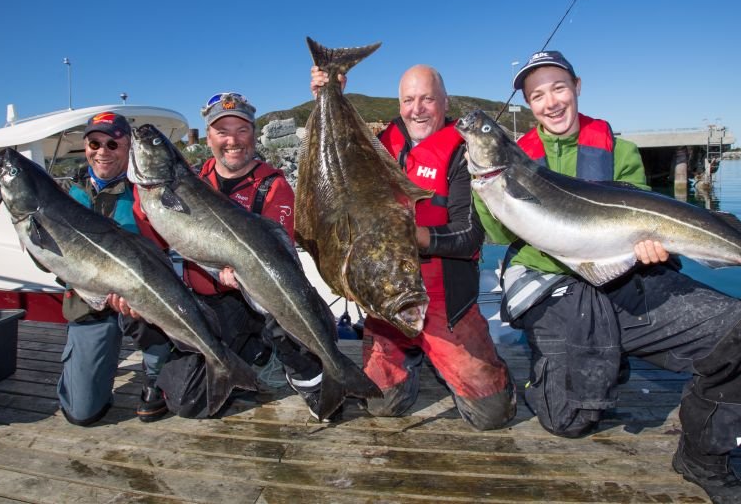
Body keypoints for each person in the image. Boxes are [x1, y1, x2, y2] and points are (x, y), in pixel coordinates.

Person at [474, 51, 741, 503]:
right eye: (537, 95)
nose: (551, 102)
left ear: (577, 86)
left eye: (558, 88)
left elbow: (650, 219)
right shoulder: (516, 160)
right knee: (566, 421)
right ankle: (585, 359)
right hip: (554, 286)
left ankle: (704, 459)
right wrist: (483, 187)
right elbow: (497, 233)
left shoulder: (621, 151)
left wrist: (650, 252)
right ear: (528, 106)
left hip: (623, 275)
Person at [311, 65, 516, 431]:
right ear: (399, 103)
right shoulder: (378, 142)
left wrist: (415, 236)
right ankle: (410, 356)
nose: (416, 109)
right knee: (381, 406)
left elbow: (470, 236)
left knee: (493, 415)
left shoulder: (463, 152)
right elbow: (334, 153)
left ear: (444, 101)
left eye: (427, 99)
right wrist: (329, 96)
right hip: (388, 297)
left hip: (443, 300)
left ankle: (444, 357)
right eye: (408, 100)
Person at [147, 92, 329, 420]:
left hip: (261, 298)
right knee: (191, 401)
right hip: (211, 303)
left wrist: (242, 273)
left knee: (284, 298)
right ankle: (254, 354)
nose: (232, 140)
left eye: (241, 130)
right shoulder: (189, 183)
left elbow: (281, 252)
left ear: (254, 134)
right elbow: (155, 232)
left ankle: (304, 373)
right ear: (209, 137)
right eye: (222, 131)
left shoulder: (272, 186)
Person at [56, 111, 173, 425]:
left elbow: (166, 248)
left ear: (128, 147)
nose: (102, 151)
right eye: (95, 142)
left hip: (142, 296)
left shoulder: (146, 189)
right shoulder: (68, 193)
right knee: (82, 412)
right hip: (88, 300)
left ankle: (155, 378)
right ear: (85, 146)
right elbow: (53, 259)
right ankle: (85, 373)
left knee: (162, 316)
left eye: (113, 143)